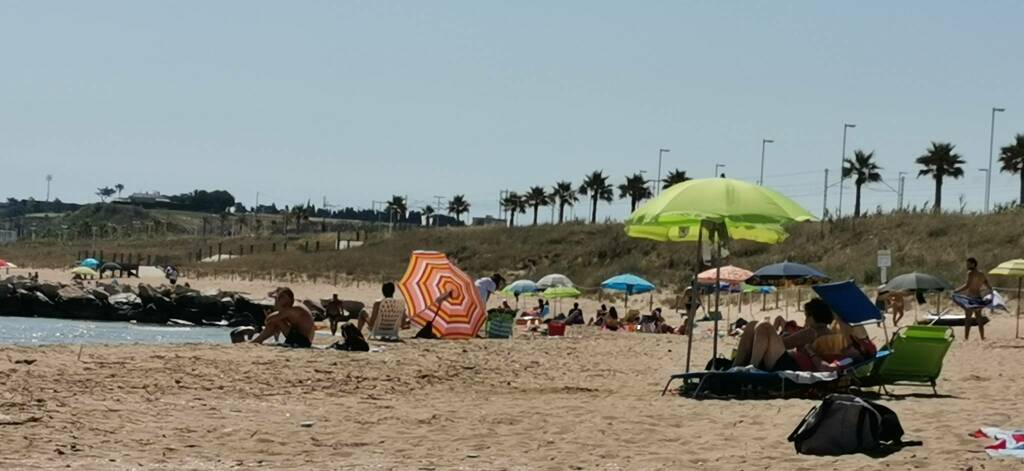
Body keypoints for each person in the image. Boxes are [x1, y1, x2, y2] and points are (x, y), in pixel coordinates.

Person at [732, 298, 835, 372]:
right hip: (792, 362)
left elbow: (785, 344)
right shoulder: (826, 331)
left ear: (812, 317)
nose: (805, 319)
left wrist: (782, 335)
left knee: (764, 326)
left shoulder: (811, 332)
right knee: (752, 325)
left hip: (792, 364)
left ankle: (752, 367)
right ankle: (737, 366)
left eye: (806, 316)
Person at [250, 287, 315, 348]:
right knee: (278, 320)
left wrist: (277, 305)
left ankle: (257, 340)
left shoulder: (292, 309)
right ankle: (258, 340)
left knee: (277, 321)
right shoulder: (293, 305)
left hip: (303, 342)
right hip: (303, 339)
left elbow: (268, 320)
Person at [953, 257, 993, 340]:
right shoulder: (982, 274)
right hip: (978, 297)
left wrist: (956, 290)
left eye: (968, 264)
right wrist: (991, 292)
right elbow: (988, 286)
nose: (967, 265)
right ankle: (982, 337)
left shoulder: (970, 273)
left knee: (968, 318)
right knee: (979, 318)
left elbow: (967, 285)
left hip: (970, 298)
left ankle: (966, 337)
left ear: (973, 264)